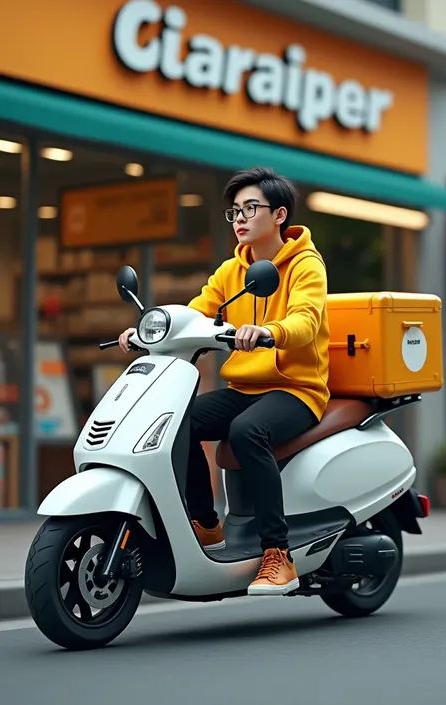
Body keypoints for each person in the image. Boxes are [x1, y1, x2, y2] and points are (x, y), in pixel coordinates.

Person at [119, 166, 330, 596]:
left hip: (297, 389)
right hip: (245, 389)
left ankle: (278, 554)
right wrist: (147, 331)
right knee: (177, 419)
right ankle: (207, 523)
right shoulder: (232, 270)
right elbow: (196, 311)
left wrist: (271, 332)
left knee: (246, 432)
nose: (239, 217)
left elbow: (306, 320)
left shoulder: (306, 265)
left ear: (279, 215)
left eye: (251, 208)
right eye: (234, 210)